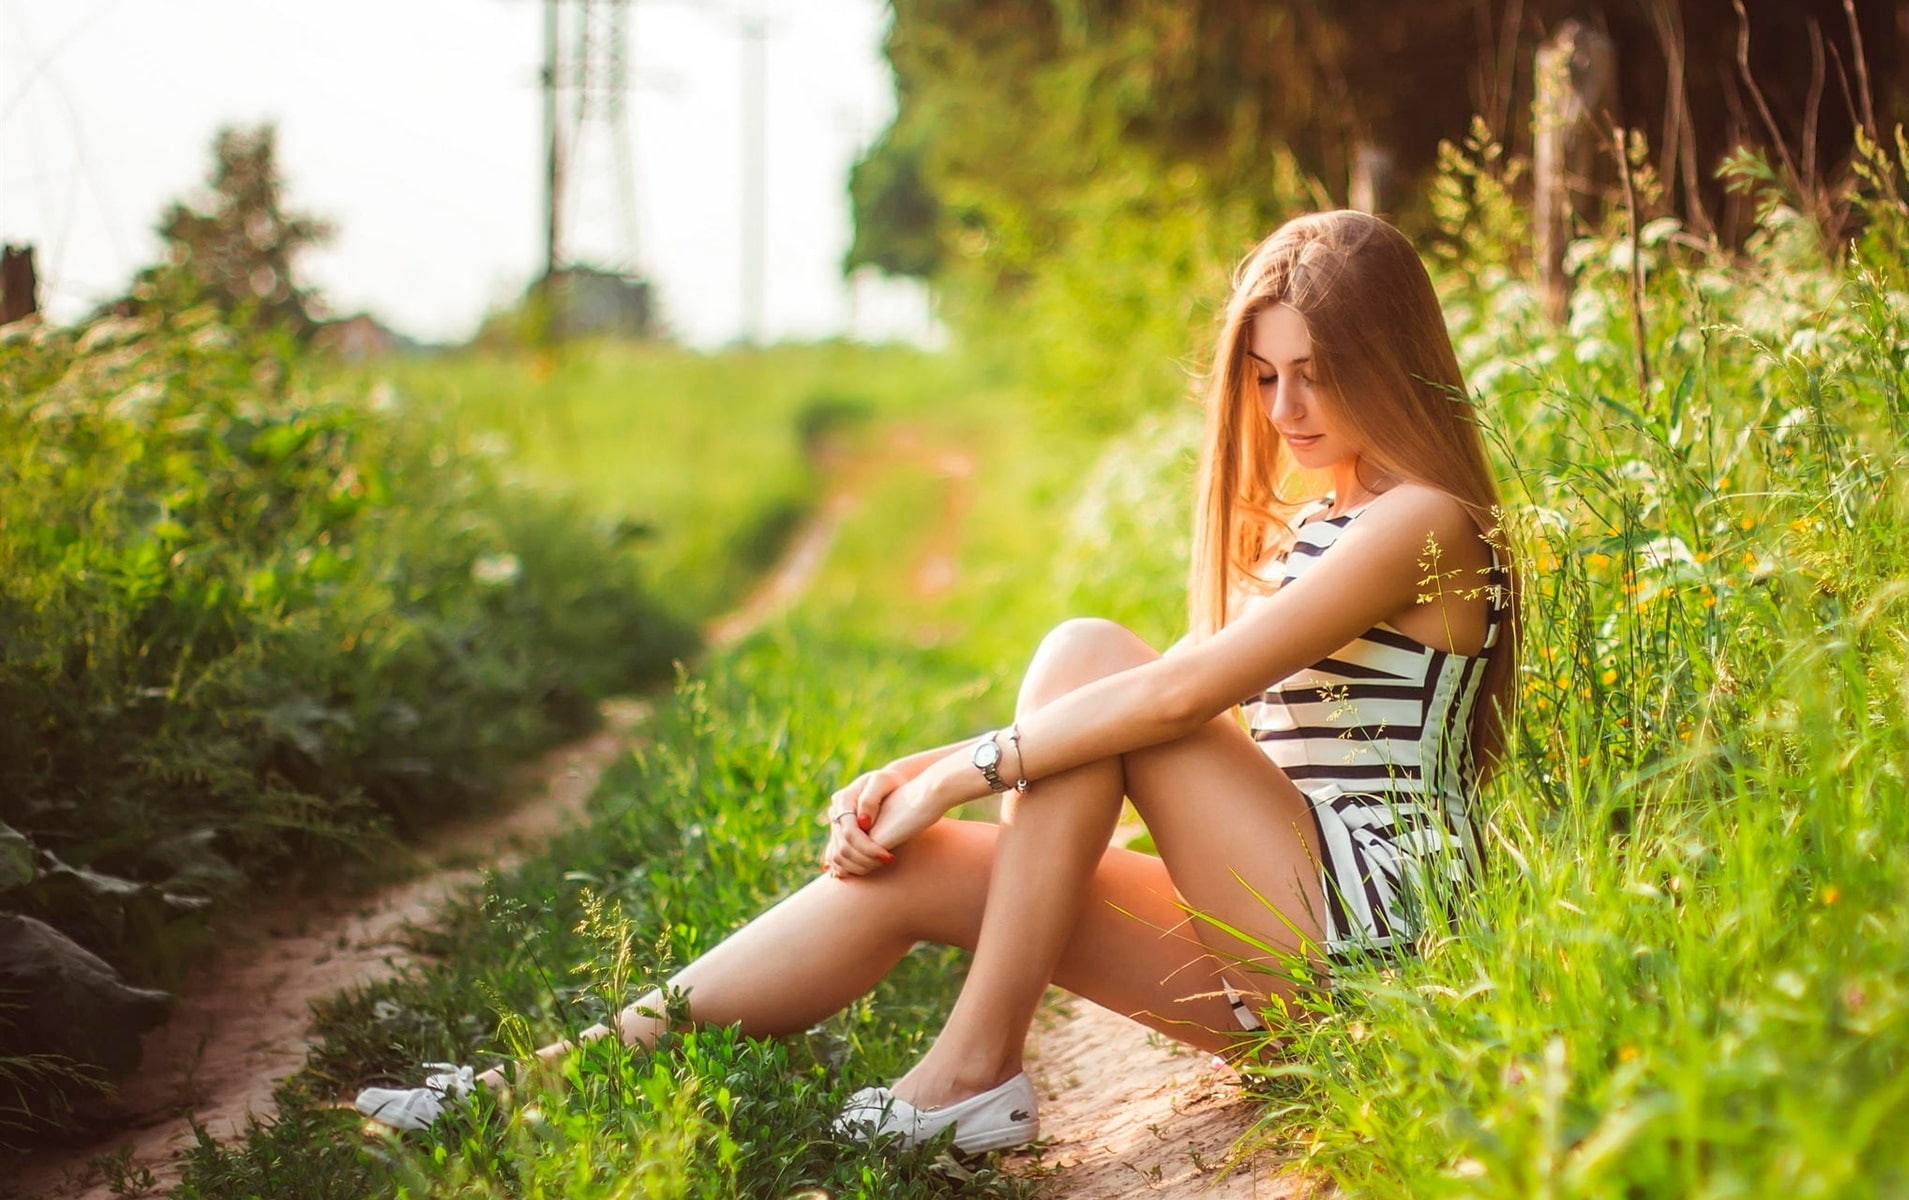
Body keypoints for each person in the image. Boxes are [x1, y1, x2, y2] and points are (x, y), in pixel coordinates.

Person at [355, 209, 1519, 1157]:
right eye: (1264, 379)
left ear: (1389, 359)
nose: (1285, 412)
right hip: (1286, 946)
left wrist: (965, 770)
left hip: (1377, 949)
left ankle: (969, 1070)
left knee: (1093, 661)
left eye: (1316, 375)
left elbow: (1172, 700)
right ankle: (531, 1085)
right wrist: (922, 777)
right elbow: (1174, 712)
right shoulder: (1327, 518)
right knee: (917, 864)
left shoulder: (1429, 522)